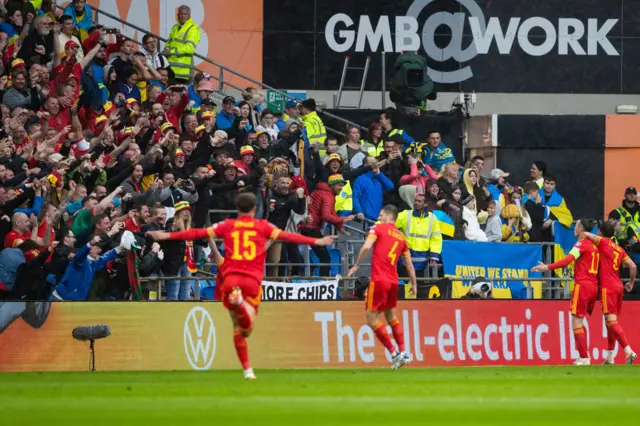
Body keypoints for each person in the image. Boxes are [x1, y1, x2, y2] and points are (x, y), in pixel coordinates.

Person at [148, 192, 336, 379]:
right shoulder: (263, 226)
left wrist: (165, 236)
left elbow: (198, 233)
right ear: (255, 209)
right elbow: (289, 236)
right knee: (247, 328)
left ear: (237, 208)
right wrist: (317, 240)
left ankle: (247, 369)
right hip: (252, 281)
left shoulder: (228, 225)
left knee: (238, 327)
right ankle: (243, 309)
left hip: (231, 280)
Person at [347, 204, 417, 370]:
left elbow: (366, 246)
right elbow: (409, 265)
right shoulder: (401, 237)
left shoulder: (378, 228)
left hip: (379, 280)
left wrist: (357, 265)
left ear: (388, 216)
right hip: (394, 282)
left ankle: (394, 354)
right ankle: (404, 352)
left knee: (371, 318)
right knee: (391, 316)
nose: (378, 218)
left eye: (380, 215)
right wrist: (414, 283)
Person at [532, 219, 600, 365]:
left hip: (583, 285)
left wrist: (547, 267)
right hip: (594, 286)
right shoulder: (594, 246)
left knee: (576, 321)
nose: (573, 229)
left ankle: (584, 357)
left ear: (581, 229)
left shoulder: (581, 244)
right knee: (580, 321)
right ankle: (585, 355)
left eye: (575, 226)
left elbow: (566, 261)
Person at [582, 221, 637, 365]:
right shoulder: (619, 249)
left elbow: (587, 234)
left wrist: (584, 235)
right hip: (618, 286)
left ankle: (628, 351)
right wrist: (631, 283)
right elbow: (633, 265)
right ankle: (610, 357)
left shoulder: (603, 242)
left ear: (600, 232)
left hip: (608, 287)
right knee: (610, 322)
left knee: (611, 322)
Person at [164, 5, 201, 83]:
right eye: (181, 14)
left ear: (189, 15)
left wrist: (171, 51)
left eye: (185, 14)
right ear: (177, 15)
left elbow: (189, 48)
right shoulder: (175, 27)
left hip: (183, 72)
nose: (183, 16)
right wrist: (166, 48)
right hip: (171, 69)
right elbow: (169, 42)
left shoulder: (193, 28)